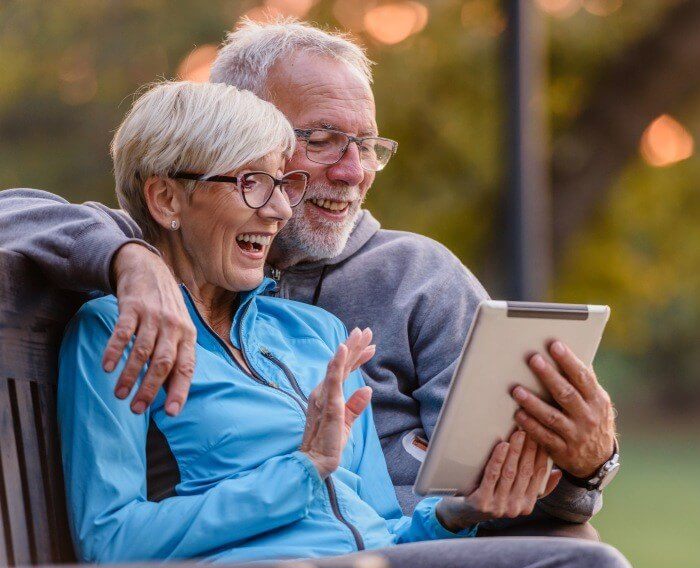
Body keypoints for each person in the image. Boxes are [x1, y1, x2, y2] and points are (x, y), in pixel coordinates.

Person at [0, 19, 615, 532]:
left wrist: (585, 466)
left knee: (582, 554)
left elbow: (503, 482)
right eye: (321, 140)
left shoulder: (413, 277)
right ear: (241, 129)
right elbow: (14, 213)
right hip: (279, 564)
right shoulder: (161, 242)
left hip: (425, 550)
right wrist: (130, 259)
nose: (354, 171)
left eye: (367, 145)